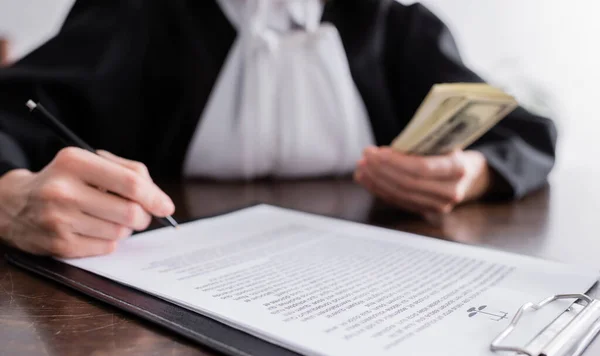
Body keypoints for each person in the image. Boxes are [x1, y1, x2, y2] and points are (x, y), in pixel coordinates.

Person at [0, 0, 556, 258]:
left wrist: (474, 174)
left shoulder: (394, 24)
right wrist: (10, 197)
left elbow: (528, 133)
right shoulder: (133, 15)